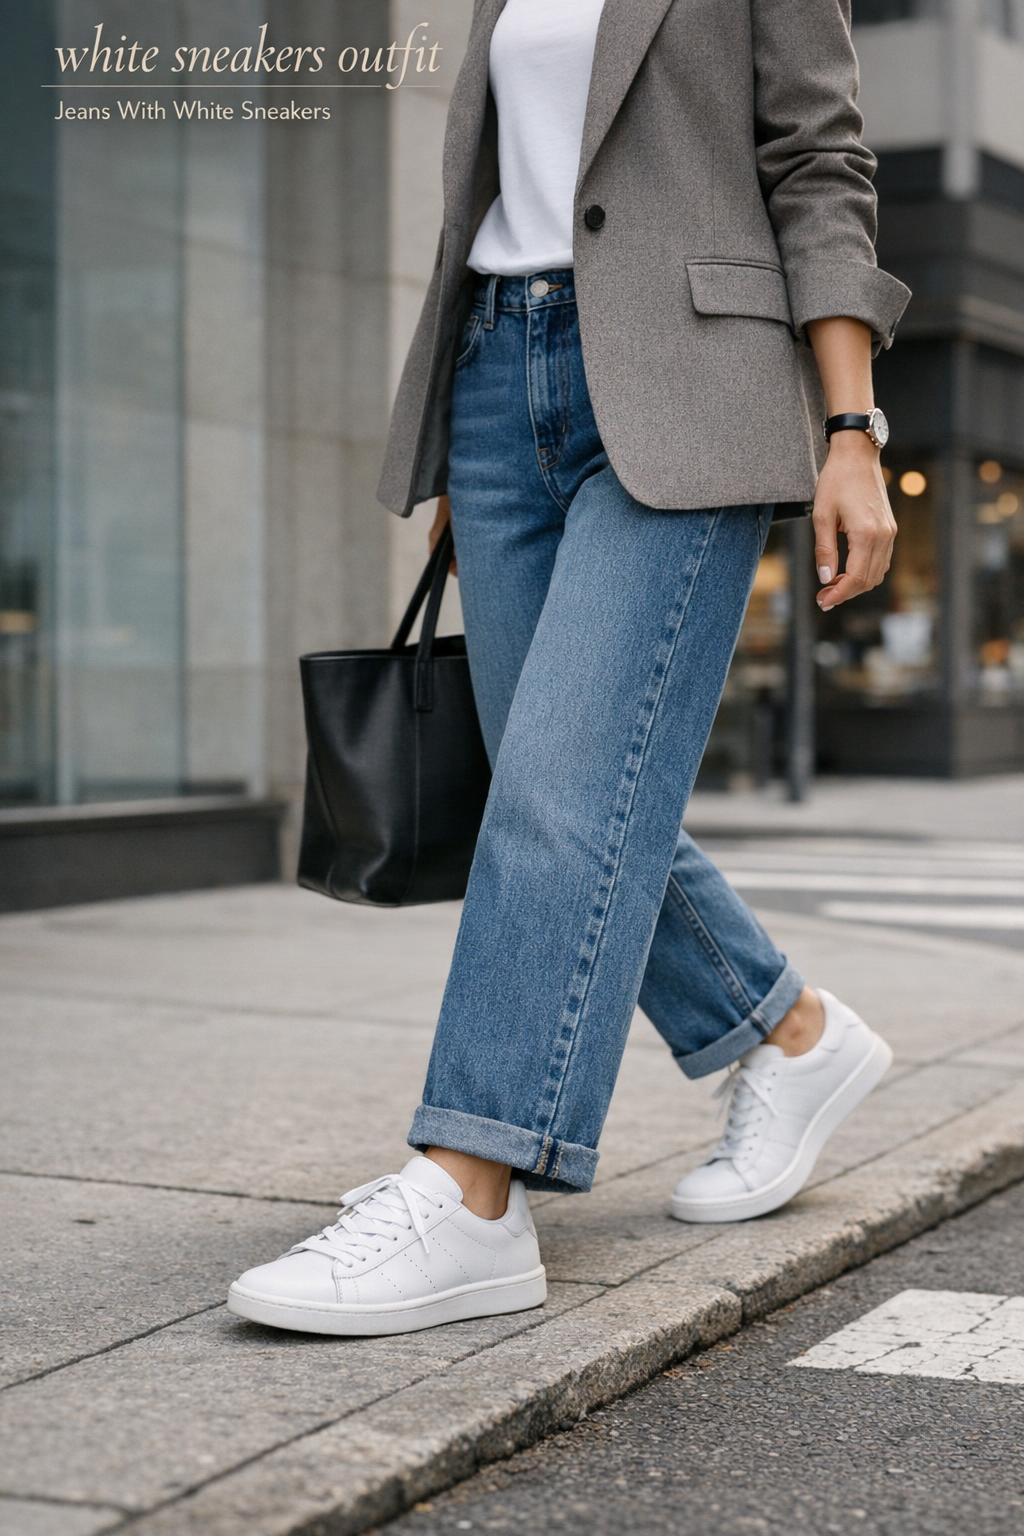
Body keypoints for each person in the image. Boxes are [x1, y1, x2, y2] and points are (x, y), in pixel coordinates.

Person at [229, 0, 911, 1337]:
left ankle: (474, 1183)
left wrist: (850, 425)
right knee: (568, 787)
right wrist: (461, 454)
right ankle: (790, 1035)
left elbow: (822, 163)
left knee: (561, 790)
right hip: (499, 378)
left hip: (685, 389)